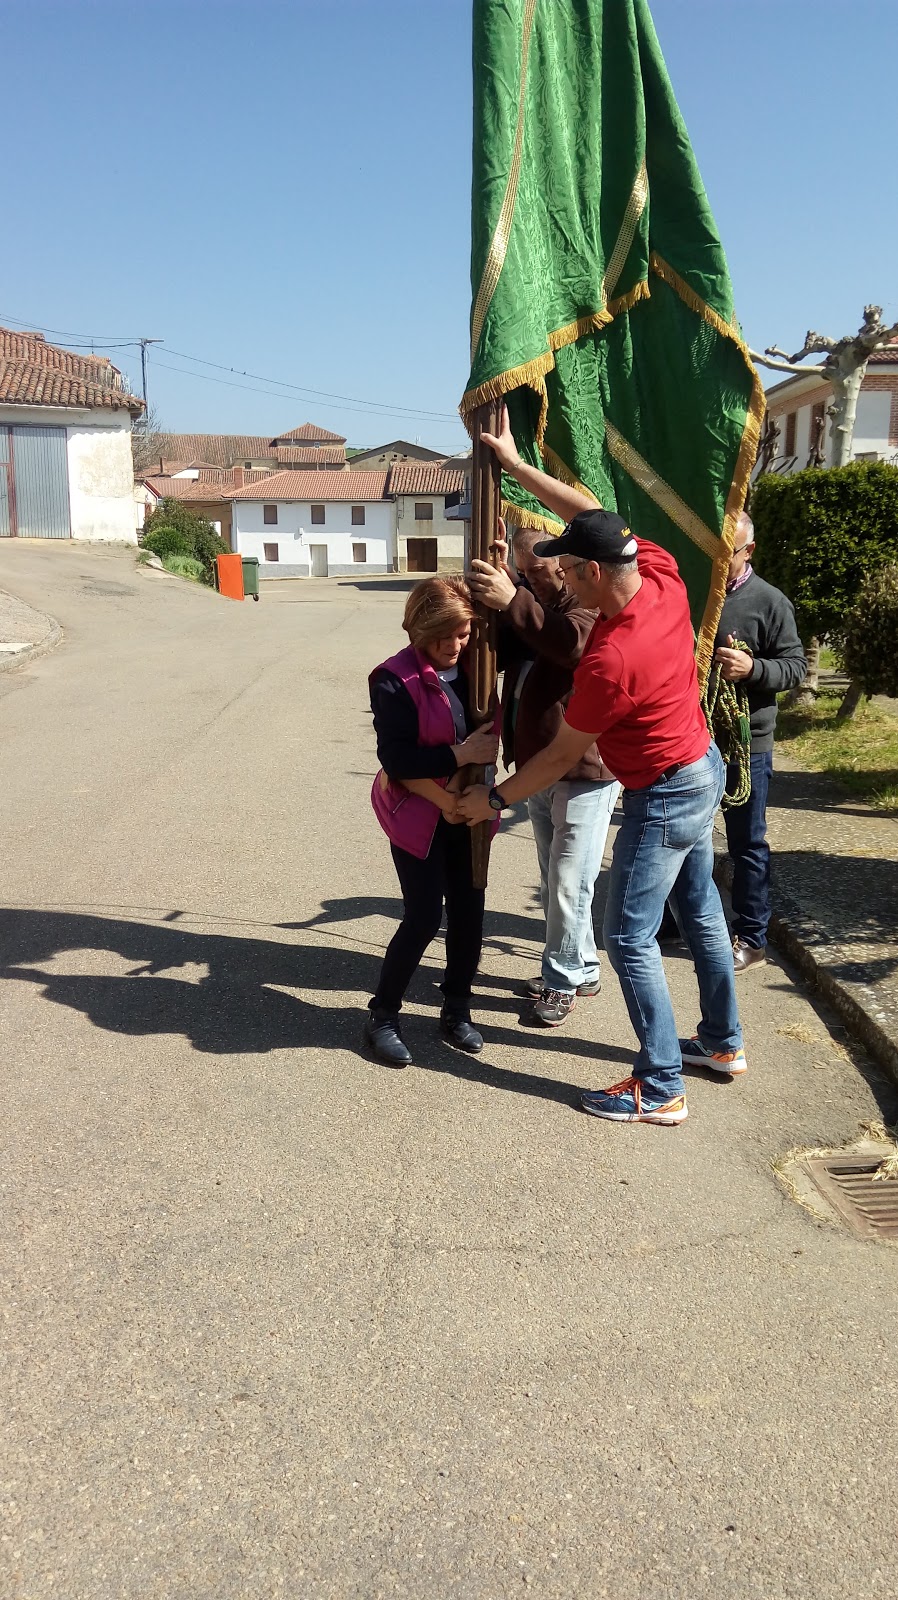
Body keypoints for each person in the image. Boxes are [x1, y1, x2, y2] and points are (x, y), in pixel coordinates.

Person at [458, 407, 745, 1126]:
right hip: (700, 765)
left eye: (565, 571)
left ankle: (660, 1085)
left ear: (592, 572)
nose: (558, 578)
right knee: (701, 910)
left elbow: (559, 756)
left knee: (626, 937)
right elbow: (587, 510)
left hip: (664, 791)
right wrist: (514, 464)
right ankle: (722, 1042)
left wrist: (492, 800)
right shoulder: (658, 572)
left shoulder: (612, 659)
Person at [466, 521, 619, 1026]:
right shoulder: (535, 602)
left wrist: (513, 598)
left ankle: (562, 981)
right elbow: (505, 642)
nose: (531, 581)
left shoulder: (588, 605)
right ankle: (583, 966)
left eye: (538, 571)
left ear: (564, 564)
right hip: (537, 766)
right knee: (557, 879)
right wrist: (499, 591)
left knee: (569, 880)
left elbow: (571, 645)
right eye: (523, 573)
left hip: (584, 770)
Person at [366, 576, 499, 1066]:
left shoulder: (478, 669)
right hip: (419, 812)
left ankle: (457, 1009)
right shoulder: (391, 679)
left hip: (470, 811)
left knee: (469, 914)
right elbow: (398, 761)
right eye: (443, 635)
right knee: (423, 916)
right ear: (418, 628)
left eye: (462, 634)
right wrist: (455, 771)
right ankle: (382, 1016)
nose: (453, 645)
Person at [713, 511, 806, 972]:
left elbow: (795, 667)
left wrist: (753, 669)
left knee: (746, 842)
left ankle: (752, 936)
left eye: (726, 551)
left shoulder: (770, 602)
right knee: (682, 836)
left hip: (747, 744)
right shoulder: (699, 595)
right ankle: (675, 919)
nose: (717, 558)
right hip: (695, 735)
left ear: (748, 551)